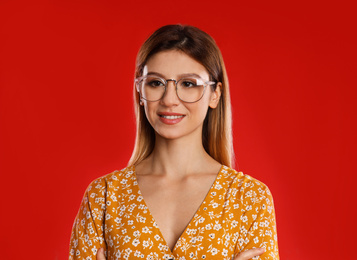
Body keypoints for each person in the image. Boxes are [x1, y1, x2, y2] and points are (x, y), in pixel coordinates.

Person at [69, 24, 279, 260]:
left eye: (188, 84)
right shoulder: (104, 198)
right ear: (140, 91)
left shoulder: (249, 198)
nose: (169, 100)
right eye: (156, 83)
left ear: (215, 94)